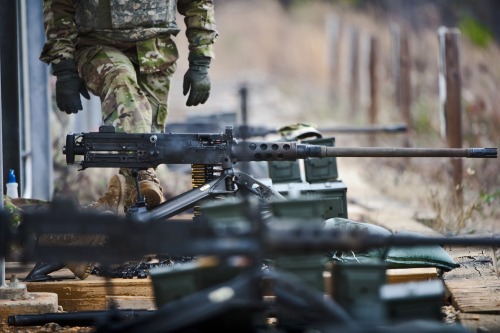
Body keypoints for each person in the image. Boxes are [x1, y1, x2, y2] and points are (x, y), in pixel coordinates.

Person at [25, 0, 218, 282]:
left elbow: (198, 3)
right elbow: (60, 6)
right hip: (98, 47)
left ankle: (115, 235)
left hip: (156, 51)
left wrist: (201, 61)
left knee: (148, 140)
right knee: (123, 89)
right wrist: (64, 67)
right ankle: (141, 180)